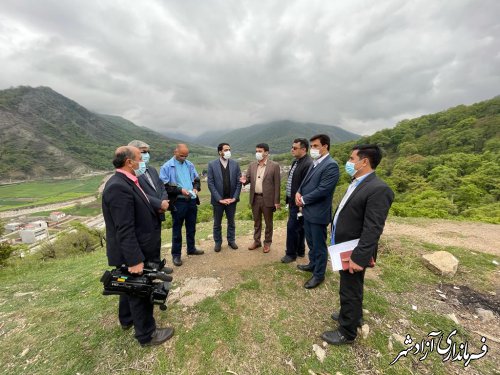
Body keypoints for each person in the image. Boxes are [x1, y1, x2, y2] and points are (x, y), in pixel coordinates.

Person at [321, 144, 394, 345]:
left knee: (349, 289)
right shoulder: (358, 182)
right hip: (344, 245)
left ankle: (347, 332)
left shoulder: (378, 189)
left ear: (364, 162)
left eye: (352, 159)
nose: (349, 162)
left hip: (354, 251)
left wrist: (359, 257)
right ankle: (353, 315)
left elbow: (373, 229)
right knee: (353, 285)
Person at [102, 146, 174, 347]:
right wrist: (134, 260)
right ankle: (147, 334)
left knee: (128, 286)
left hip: (138, 247)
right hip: (134, 252)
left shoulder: (127, 181)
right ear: (129, 162)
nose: (143, 162)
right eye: (140, 158)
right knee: (138, 291)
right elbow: (124, 228)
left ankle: (127, 319)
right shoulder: (118, 186)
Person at [295, 134, 339, 289]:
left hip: (318, 213)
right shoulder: (315, 163)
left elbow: (324, 189)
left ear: (325, 146)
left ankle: (319, 275)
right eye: (312, 146)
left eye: (315, 146)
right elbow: (305, 182)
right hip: (307, 211)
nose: (312, 149)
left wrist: (304, 199)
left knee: (319, 246)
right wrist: (298, 193)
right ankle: (312, 264)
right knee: (311, 242)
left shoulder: (331, 165)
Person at [159, 144, 204, 267]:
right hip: (178, 201)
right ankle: (176, 255)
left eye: (186, 155)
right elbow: (164, 186)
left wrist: (195, 189)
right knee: (177, 228)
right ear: (175, 152)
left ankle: (191, 248)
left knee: (191, 226)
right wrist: (180, 190)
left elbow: (196, 179)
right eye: (181, 155)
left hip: (191, 200)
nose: (184, 158)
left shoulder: (189, 164)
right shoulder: (167, 167)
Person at [240, 143, 281, 253]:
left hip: (267, 199)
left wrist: (276, 201)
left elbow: (277, 184)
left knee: (268, 223)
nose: (257, 153)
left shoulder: (274, 166)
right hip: (255, 198)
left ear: (266, 153)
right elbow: (247, 179)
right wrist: (244, 181)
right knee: (256, 222)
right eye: (256, 151)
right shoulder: (252, 165)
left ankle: (267, 243)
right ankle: (256, 241)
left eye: (260, 151)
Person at [281, 138, 313, 263]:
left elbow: (307, 186)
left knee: (292, 227)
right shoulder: (296, 162)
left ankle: (290, 254)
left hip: (299, 203)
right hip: (292, 201)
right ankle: (300, 250)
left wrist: (302, 204)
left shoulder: (308, 163)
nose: (292, 150)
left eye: (295, 148)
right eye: (292, 147)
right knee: (299, 227)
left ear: (304, 149)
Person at [207, 143, 242, 252]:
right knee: (217, 223)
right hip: (218, 201)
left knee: (231, 222)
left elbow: (239, 182)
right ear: (220, 152)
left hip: (232, 200)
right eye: (226, 150)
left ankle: (231, 240)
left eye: (229, 149)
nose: (228, 152)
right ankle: (218, 242)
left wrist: (235, 197)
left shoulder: (235, 164)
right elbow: (210, 183)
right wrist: (219, 199)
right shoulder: (212, 165)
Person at [127, 140, 170, 223]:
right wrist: (158, 204)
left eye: (148, 152)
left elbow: (161, 187)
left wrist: (163, 202)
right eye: (144, 152)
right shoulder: (132, 173)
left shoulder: (152, 170)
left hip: (159, 214)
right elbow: (137, 193)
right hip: (144, 216)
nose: (147, 155)